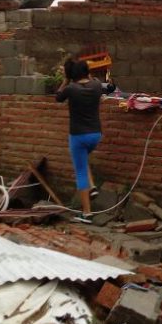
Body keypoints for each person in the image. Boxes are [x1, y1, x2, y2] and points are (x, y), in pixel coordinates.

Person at [55, 59, 104, 223]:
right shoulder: (97, 85)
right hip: (95, 135)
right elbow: (105, 86)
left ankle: (87, 213)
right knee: (84, 161)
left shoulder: (70, 89)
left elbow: (58, 97)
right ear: (87, 71)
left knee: (80, 171)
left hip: (78, 136)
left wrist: (64, 81)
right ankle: (93, 187)